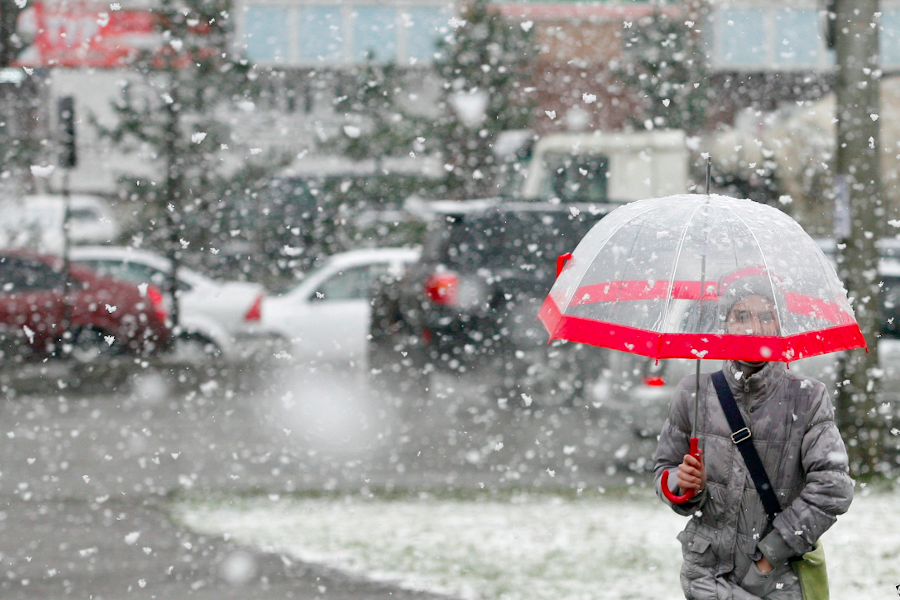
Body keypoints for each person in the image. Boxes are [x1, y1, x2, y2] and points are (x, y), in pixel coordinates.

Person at [653, 271, 854, 600]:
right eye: (741, 315)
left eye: (766, 316)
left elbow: (833, 488)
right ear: (725, 324)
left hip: (776, 580)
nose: (753, 327)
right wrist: (682, 484)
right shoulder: (694, 391)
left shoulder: (808, 397)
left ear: (779, 326)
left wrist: (768, 556)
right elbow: (664, 468)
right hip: (706, 577)